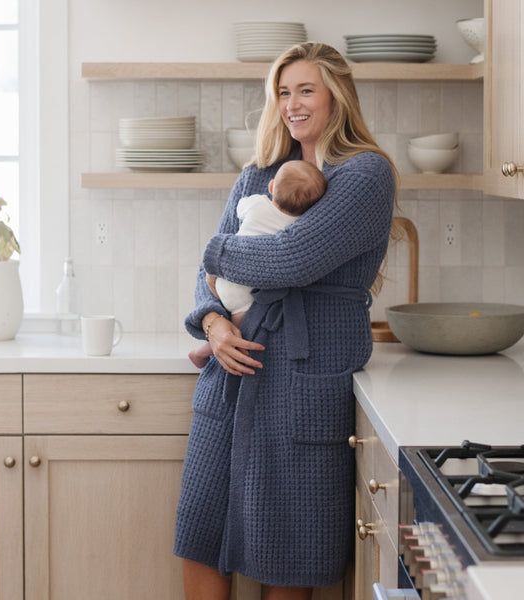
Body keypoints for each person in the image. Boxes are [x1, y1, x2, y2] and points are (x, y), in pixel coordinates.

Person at [174, 42, 398, 600]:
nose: (292, 104)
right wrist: (214, 327)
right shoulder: (258, 175)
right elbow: (206, 286)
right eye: (282, 92)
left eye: (305, 90)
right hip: (231, 374)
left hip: (304, 379)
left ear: (335, 96)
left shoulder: (365, 175)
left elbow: (292, 258)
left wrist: (215, 252)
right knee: (201, 534)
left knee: (289, 553)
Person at [188, 159, 328, 369]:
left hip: (223, 278)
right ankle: (203, 353)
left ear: (271, 186)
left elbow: (239, 209)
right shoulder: (297, 224)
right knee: (240, 332)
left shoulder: (257, 203)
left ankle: (201, 350)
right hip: (247, 293)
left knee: (226, 330)